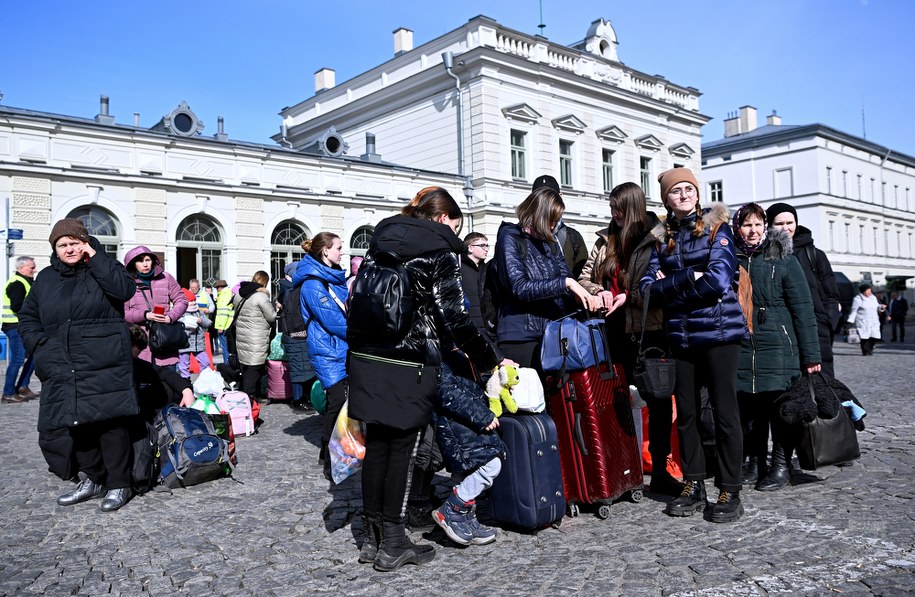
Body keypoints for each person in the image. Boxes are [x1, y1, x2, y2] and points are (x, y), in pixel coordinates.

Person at [347, 186, 506, 572]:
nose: (455, 233)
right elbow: (455, 318)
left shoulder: (380, 239)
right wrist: (491, 359)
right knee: (402, 451)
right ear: (442, 218)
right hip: (411, 362)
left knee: (378, 446)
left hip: (367, 357)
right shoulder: (439, 249)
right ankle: (394, 542)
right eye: (456, 225)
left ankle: (372, 538)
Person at [641, 167, 748, 523]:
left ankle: (730, 488)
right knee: (686, 414)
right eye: (676, 191)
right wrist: (688, 276)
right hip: (681, 335)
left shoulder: (718, 228)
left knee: (724, 412)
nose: (684, 195)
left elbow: (718, 280)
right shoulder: (661, 237)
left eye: (689, 188)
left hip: (720, 333)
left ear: (698, 193)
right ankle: (694, 482)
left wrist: (671, 288)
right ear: (666, 199)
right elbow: (647, 288)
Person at [18, 218, 139, 512]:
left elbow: (125, 290)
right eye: (62, 245)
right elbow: (28, 317)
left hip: (104, 360)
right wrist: (40, 347)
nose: (69, 249)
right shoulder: (46, 278)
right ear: (55, 249)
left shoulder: (105, 266)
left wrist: (95, 257)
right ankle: (92, 478)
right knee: (77, 423)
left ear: (85, 242)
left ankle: (119, 483)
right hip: (61, 361)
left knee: (109, 422)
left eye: (75, 242)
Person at [578, 182, 680, 496]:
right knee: (615, 401)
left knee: (659, 402)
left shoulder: (658, 237)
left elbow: (665, 283)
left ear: (633, 207)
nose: (614, 214)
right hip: (612, 331)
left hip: (650, 330)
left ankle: (661, 470)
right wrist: (598, 291)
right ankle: (621, 470)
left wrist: (629, 297)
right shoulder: (604, 239)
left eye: (619, 209)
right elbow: (585, 277)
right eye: (611, 208)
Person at [731, 203, 821, 492]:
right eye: (747, 225)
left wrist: (811, 355)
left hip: (780, 347)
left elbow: (803, 309)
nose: (753, 231)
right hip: (744, 345)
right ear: (738, 228)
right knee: (749, 411)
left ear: (766, 227)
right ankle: (754, 462)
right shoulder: (730, 258)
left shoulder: (783, 258)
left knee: (782, 411)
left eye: (758, 225)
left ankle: (781, 466)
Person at [493, 184, 600, 372]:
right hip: (521, 338)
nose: (553, 226)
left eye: (556, 220)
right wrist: (566, 284)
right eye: (551, 220)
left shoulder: (549, 242)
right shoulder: (510, 237)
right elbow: (519, 287)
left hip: (551, 333)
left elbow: (566, 279)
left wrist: (591, 295)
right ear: (540, 215)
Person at [292, 233, 349, 477]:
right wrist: (360, 334)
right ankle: (328, 454)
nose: (341, 252)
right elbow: (333, 319)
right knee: (336, 402)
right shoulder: (314, 283)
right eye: (338, 248)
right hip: (327, 349)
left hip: (339, 346)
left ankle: (334, 451)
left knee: (342, 401)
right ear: (325, 251)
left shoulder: (331, 277)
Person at [766, 203, 841, 378]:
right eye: (779, 223)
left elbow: (831, 294)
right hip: (780, 330)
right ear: (769, 226)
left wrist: (828, 321)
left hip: (816, 329)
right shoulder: (765, 255)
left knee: (822, 383)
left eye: (790, 222)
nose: (785, 228)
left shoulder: (814, 254)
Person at [431, 363, 501, 546]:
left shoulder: (461, 354)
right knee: (491, 464)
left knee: (466, 472)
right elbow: (446, 391)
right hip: (456, 423)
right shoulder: (442, 357)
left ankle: (464, 518)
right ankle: (453, 509)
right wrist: (482, 416)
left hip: (463, 421)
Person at [123, 246, 188, 367]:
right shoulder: (126, 283)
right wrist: (145, 315)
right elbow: (122, 312)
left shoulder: (166, 278)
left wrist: (170, 317)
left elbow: (182, 300)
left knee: (168, 378)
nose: (145, 264)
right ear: (133, 264)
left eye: (147, 260)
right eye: (140, 261)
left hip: (165, 343)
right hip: (139, 345)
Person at [531, 174, 588, 278]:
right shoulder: (519, 235)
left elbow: (583, 277)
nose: (545, 203)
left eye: (549, 197)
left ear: (560, 197)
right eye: (540, 198)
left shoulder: (574, 238)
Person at [277, 262, 316, 411]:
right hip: (297, 334)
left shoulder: (288, 290)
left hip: (294, 334)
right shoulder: (293, 291)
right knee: (299, 369)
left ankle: (303, 398)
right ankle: (298, 400)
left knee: (302, 368)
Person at [233, 271, 277, 401]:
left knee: (246, 367)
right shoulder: (261, 297)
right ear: (265, 282)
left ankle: (253, 394)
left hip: (242, 336)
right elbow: (271, 316)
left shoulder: (239, 294)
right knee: (254, 369)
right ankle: (249, 398)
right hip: (256, 337)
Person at [2, 256, 38, 403]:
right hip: (14, 326)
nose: (34, 270)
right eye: (32, 267)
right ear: (21, 268)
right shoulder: (17, 283)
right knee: (17, 359)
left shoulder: (27, 281)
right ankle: (8, 393)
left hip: (23, 326)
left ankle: (23, 386)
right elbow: (17, 307)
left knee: (35, 355)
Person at [460, 232, 491, 339]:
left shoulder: (487, 269)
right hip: (467, 328)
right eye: (482, 245)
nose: (486, 249)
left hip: (488, 327)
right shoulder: (459, 268)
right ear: (470, 248)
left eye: (487, 246)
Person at [177, 290, 212, 380]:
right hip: (184, 345)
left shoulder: (198, 312)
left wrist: (201, 320)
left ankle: (204, 379)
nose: (193, 303)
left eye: (194, 300)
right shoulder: (180, 312)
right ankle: (185, 381)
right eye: (190, 301)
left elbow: (208, 323)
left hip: (198, 344)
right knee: (184, 365)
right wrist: (187, 325)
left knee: (205, 362)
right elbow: (177, 327)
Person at [847, 284, 881, 356]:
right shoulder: (858, 299)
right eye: (867, 291)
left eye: (870, 290)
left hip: (874, 321)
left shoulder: (873, 298)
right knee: (864, 337)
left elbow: (877, 306)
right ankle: (865, 351)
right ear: (863, 291)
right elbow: (854, 310)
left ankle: (870, 348)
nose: (869, 292)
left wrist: (881, 307)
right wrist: (850, 321)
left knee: (875, 336)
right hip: (863, 321)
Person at [213, 279, 234, 359]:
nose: (216, 290)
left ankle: (227, 364)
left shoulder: (224, 296)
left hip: (224, 326)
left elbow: (224, 313)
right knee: (228, 347)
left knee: (225, 348)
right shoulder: (228, 294)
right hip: (228, 324)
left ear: (219, 287)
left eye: (216, 288)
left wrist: (221, 327)